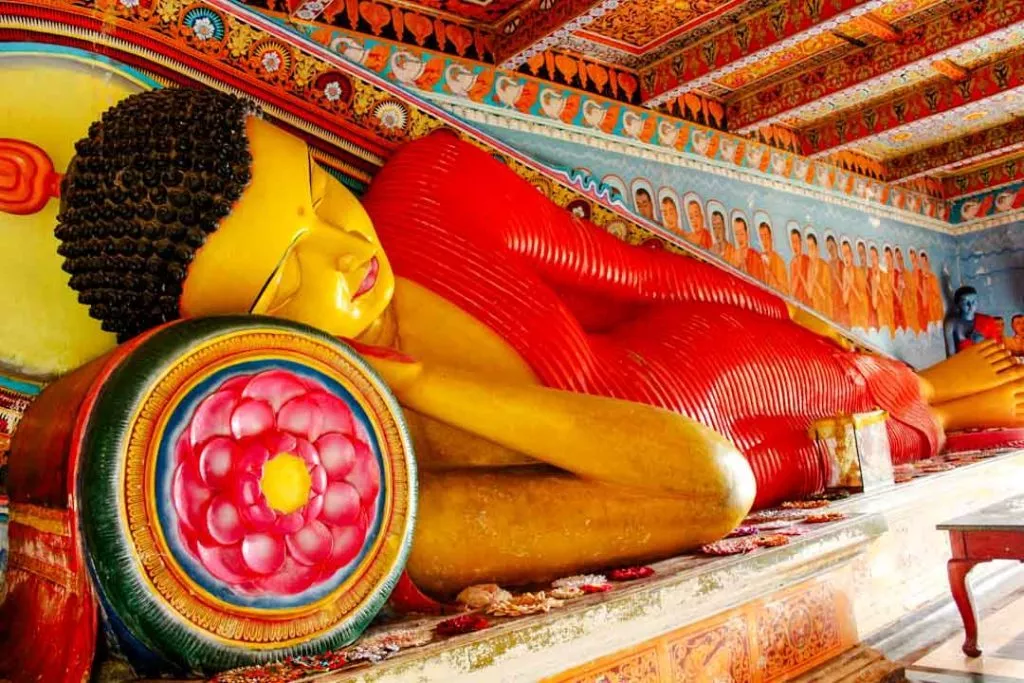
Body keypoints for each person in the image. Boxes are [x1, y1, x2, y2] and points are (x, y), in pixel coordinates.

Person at [26, 88, 1024, 599]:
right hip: (742, 456)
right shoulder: (377, 465)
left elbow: (628, 270)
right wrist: (411, 381)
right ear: (234, 333)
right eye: (288, 278)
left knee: (864, 379)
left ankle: (940, 392)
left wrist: (784, 312)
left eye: (322, 199)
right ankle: (946, 409)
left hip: (705, 345)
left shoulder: (423, 197)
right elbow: (706, 483)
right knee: (854, 449)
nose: (346, 253)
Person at [728, 215, 765, 280]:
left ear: (747, 234)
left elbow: (759, 281)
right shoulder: (733, 256)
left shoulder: (755, 256)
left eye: (742, 234)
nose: (740, 238)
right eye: (737, 234)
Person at [805, 232, 833, 318]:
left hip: (826, 309)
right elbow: (809, 294)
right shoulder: (809, 268)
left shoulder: (824, 266)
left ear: (817, 249)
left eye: (812, 247)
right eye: (809, 248)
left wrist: (815, 282)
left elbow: (826, 295)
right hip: (816, 310)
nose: (810, 251)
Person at [758, 221, 788, 294]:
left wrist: (769, 273)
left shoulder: (779, 261)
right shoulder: (758, 258)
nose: (764, 240)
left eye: (766, 235)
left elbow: (784, 292)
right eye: (762, 237)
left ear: (770, 237)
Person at [825, 234, 846, 326]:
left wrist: (837, 278)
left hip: (842, 307)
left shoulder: (842, 265)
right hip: (832, 306)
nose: (831, 250)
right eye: (829, 248)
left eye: (832, 247)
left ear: (836, 246)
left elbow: (845, 289)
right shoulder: (828, 265)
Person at [789, 227, 811, 307]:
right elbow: (792, 290)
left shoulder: (807, 260)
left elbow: (810, 290)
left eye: (796, 241)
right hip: (797, 302)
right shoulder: (792, 263)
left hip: (808, 303)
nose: (795, 245)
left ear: (801, 242)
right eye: (793, 242)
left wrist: (800, 275)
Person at [851, 241, 870, 329]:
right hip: (861, 316)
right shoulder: (856, 273)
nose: (861, 256)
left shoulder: (873, 272)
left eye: (862, 253)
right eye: (859, 254)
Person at [867, 244, 882, 331]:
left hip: (882, 315)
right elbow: (874, 303)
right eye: (871, 257)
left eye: (874, 256)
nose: (873, 260)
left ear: (878, 257)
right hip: (872, 315)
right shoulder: (869, 274)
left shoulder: (883, 274)